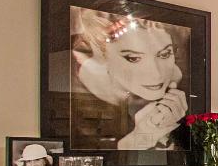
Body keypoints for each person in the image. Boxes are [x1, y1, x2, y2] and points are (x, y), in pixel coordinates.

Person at [71, 8, 189, 151]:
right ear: (103, 57)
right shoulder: (82, 99)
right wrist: (137, 140)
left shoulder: (182, 79)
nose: (156, 74)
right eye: (133, 58)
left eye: (164, 54)